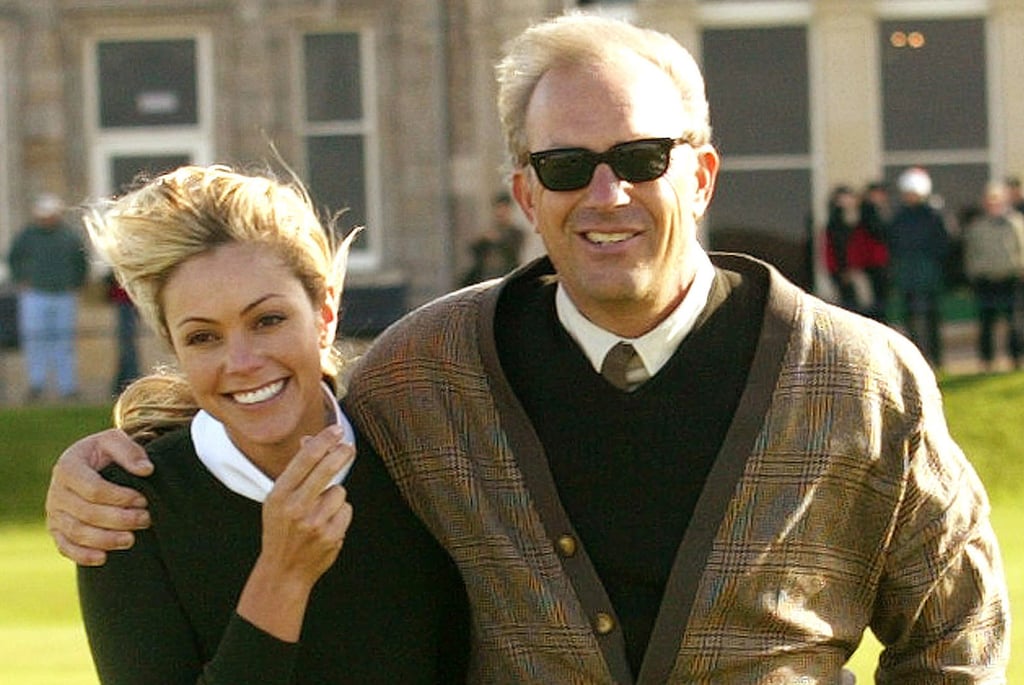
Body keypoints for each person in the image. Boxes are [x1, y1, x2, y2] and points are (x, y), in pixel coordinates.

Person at [45, 13, 1008, 683]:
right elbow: (283, 397)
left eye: (641, 158)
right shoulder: (426, 373)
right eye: (566, 165)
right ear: (525, 194)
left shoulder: (860, 376)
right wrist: (104, 456)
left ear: (701, 174)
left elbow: (956, 638)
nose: (606, 194)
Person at [69, 165, 468, 683]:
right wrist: (283, 575)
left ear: (324, 315)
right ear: (174, 348)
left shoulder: (421, 464)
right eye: (203, 337)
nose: (241, 362)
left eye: (268, 321)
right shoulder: (125, 512)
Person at [6, 193, 88, 401]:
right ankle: (36, 384)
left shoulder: (69, 237)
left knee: (64, 341)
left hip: (63, 295)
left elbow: (81, 263)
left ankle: (68, 387)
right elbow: (13, 258)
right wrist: (20, 279)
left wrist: (76, 283)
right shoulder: (27, 235)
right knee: (35, 339)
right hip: (35, 294)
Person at [887, 166, 951, 368]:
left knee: (932, 316)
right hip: (908, 273)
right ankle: (915, 360)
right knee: (910, 318)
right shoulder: (899, 218)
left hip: (928, 273)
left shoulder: (934, 216)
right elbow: (893, 243)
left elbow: (943, 244)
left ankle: (937, 359)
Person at [962, 180, 1024, 371]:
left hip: (1010, 278)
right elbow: (971, 254)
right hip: (986, 281)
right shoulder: (977, 227)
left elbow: (1021, 248)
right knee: (986, 322)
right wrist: (974, 273)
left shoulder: (1015, 223)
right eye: (990, 200)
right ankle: (987, 361)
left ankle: (1016, 359)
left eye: (997, 200)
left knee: (1014, 322)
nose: (993, 204)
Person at [458, 191, 526, 286]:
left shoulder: (516, 233)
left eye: (504, 209)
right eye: (498, 209)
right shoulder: (488, 233)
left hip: (506, 276)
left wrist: (497, 239)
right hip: (486, 278)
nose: (501, 213)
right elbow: (474, 251)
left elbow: (512, 250)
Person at [104, 272, 140, 394]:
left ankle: (129, 381)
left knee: (126, 343)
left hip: (127, 299)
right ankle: (126, 380)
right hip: (125, 299)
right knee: (126, 342)